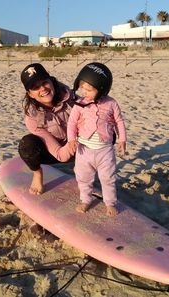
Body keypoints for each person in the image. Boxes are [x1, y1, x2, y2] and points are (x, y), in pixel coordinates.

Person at [67, 62, 127, 217]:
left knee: (108, 179)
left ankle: (110, 203)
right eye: (82, 88)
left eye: (89, 89)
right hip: (84, 150)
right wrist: (71, 139)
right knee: (83, 178)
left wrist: (122, 139)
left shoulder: (111, 103)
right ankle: (85, 200)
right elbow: (72, 123)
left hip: (105, 150)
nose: (84, 92)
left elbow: (119, 121)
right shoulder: (79, 104)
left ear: (101, 89)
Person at [19, 63, 76, 195]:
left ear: (51, 81)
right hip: (55, 153)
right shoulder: (32, 118)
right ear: (30, 94)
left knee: (108, 133)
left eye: (44, 82)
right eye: (35, 87)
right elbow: (60, 155)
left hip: (80, 145)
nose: (43, 89)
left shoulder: (72, 98)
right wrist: (72, 145)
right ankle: (37, 174)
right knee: (27, 145)